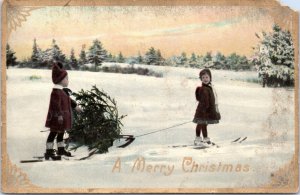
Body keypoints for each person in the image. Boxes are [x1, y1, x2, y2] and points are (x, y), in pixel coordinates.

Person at [44, 62, 82, 160]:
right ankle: (49, 152)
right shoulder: (56, 92)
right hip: (56, 118)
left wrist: (76, 106)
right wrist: (59, 115)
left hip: (62, 118)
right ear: (60, 80)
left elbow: (69, 100)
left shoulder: (62, 91)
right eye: (66, 79)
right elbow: (55, 105)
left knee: (61, 133)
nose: (68, 81)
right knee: (53, 133)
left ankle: (61, 149)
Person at [193, 68, 221, 146]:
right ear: (201, 79)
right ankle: (204, 139)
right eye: (203, 78)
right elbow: (203, 101)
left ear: (210, 78)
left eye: (207, 77)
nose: (205, 79)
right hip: (203, 111)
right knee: (203, 124)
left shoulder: (209, 87)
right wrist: (204, 110)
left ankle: (198, 138)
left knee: (201, 124)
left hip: (206, 111)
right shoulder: (204, 89)